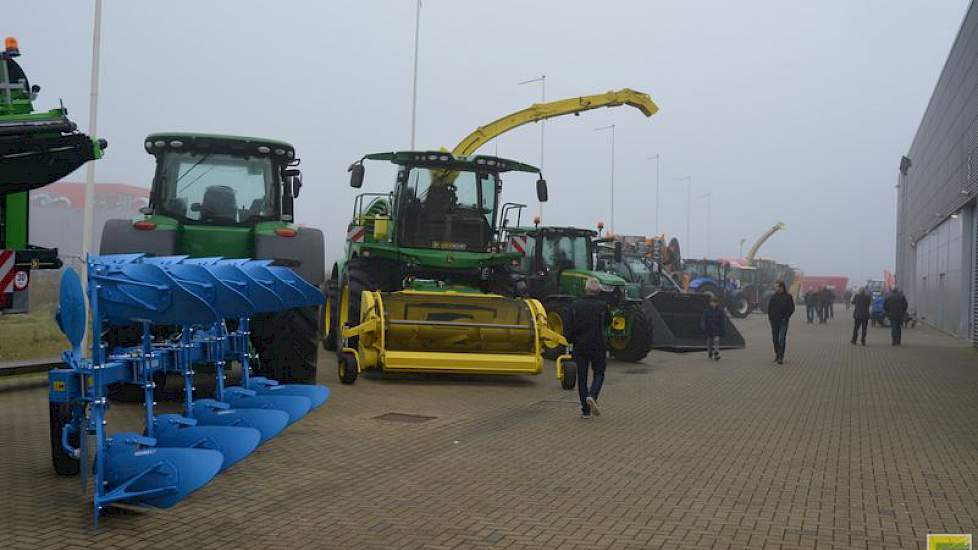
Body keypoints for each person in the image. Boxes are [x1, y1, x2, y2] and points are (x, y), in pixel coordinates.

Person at [565, 277, 609, 419]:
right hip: (598, 344)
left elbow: (568, 326)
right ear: (598, 290)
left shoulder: (575, 305)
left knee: (582, 377)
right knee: (599, 373)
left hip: (580, 345)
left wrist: (570, 340)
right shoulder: (603, 306)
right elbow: (608, 322)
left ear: (586, 289)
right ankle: (593, 395)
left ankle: (585, 410)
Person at [767, 281, 795, 364]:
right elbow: (769, 308)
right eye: (775, 287)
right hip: (774, 321)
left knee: (781, 338)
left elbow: (791, 308)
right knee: (775, 339)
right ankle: (776, 353)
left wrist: (786, 317)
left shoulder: (788, 297)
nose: (775, 288)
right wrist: (770, 318)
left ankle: (781, 356)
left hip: (783, 321)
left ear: (781, 287)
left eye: (777, 286)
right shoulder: (773, 297)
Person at [700, 296, 727, 361]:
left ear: (717, 303)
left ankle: (716, 354)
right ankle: (710, 354)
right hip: (709, 329)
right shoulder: (706, 311)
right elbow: (703, 319)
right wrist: (703, 326)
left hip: (717, 329)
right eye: (712, 302)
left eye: (715, 302)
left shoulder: (720, 311)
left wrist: (723, 329)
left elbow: (723, 321)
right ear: (710, 303)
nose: (713, 303)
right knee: (709, 343)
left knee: (716, 341)